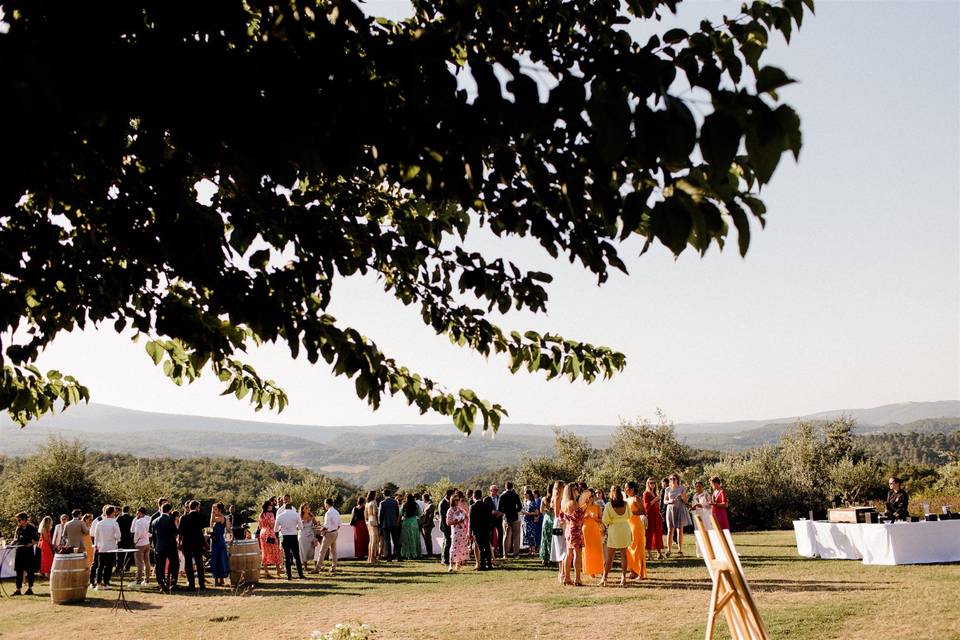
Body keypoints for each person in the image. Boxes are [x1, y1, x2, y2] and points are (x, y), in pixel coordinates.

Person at [601, 486, 632, 587]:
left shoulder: (609, 505)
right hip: (624, 528)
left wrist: (610, 523)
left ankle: (605, 578)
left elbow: (605, 520)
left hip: (614, 529)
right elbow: (629, 516)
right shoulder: (626, 504)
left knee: (609, 557)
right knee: (624, 554)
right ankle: (623, 577)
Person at [558, 483, 585, 586]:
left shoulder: (563, 503)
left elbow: (561, 518)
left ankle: (566, 577)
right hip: (575, 529)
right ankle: (577, 579)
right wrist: (584, 507)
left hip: (568, 529)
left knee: (569, 554)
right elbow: (579, 517)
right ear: (572, 491)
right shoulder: (573, 503)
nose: (578, 491)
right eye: (576, 489)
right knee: (577, 554)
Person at [178, 500, 207, 591]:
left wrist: (180, 543)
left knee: (188, 564)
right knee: (199, 563)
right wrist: (204, 543)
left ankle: (191, 585)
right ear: (197, 507)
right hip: (198, 542)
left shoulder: (183, 518)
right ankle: (202, 584)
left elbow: (180, 532)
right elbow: (202, 531)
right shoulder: (201, 516)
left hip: (187, 542)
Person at [623, 480, 647, 579]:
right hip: (628, 526)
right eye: (624, 488)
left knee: (638, 549)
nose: (625, 489)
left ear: (632, 489)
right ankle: (633, 570)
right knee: (629, 549)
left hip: (636, 526)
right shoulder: (626, 500)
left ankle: (641, 572)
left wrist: (632, 513)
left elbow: (643, 511)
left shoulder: (636, 498)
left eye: (626, 488)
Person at [275, 502, 305, 580]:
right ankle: (300, 574)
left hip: (284, 537)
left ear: (284, 508)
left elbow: (275, 529)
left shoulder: (280, 516)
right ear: (291, 508)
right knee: (297, 556)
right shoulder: (296, 515)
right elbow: (301, 527)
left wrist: (281, 528)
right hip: (293, 536)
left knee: (287, 557)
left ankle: (289, 576)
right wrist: (295, 527)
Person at [11, 512, 39, 596]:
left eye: (19, 520)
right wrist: (11, 543)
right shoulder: (18, 528)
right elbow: (16, 538)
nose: (18, 522)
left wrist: (30, 544)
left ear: (24, 519)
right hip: (19, 551)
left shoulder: (31, 528)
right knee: (19, 570)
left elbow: (36, 540)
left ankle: (30, 588)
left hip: (28, 552)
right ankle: (18, 589)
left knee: (30, 570)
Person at [93, 505, 121, 590]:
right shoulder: (114, 523)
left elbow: (96, 536)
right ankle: (106, 582)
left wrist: (96, 545)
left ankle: (98, 583)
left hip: (101, 547)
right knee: (108, 566)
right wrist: (116, 539)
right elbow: (118, 535)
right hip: (111, 547)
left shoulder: (99, 523)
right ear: (113, 513)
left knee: (100, 566)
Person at [664, 474, 691, 557]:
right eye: (671, 479)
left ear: (677, 479)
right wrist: (669, 501)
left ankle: (680, 550)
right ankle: (669, 550)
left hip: (680, 509)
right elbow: (664, 501)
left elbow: (686, 501)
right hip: (670, 510)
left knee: (679, 530)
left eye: (674, 478)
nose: (672, 480)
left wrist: (683, 497)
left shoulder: (682, 488)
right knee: (670, 530)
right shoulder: (667, 489)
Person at [581, 488, 604, 578]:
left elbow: (601, 519)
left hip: (595, 529)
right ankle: (591, 571)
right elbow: (578, 520)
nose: (591, 498)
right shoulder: (583, 507)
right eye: (589, 496)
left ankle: (601, 569)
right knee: (588, 550)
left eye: (592, 496)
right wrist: (585, 517)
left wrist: (595, 518)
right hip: (586, 530)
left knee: (598, 550)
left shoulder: (597, 506)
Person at [469, 489, 493, 570]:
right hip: (486, 529)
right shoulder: (486, 505)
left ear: (474, 497)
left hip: (477, 530)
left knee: (480, 547)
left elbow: (471, 521)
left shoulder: (472, 507)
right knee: (487, 546)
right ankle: (489, 564)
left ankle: (482, 564)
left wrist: (470, 531)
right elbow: (490, 518)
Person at [446, 491, 470, 572]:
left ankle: (458, 564)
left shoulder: (460, 509)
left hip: (462, 531)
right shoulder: (450, 510)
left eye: (458, 499)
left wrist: (464, 517)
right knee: (454, 547)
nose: (457, 501)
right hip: (455, 532)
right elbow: (448, 522)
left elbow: (466, 516)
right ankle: (450, 564)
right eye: (455, 500)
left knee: (461, 547)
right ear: (452, 500)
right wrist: (457, 522)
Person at [315, 498, 341, 573]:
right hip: (335, 532)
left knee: (322, 551)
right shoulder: (336, 512)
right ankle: (334, 567)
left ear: (326, 504)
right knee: (333, 551)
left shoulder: (328, 513)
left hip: (329, 534)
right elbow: (339, 525)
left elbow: (326, 526)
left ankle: (317, 568)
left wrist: (319, 529)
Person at [498, 482, 522, 559]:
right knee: (516, 536)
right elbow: (520, 507)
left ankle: (505, 554)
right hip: (515, 517)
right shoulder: (515, 495)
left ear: (505, 487)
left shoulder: (502, 496)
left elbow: (499, 509)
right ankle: (516, 554)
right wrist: (515, 510)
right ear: (512, 487)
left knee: (505, 536)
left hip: (506, 517)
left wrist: (506, 511)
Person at [643, 478, 665, 560]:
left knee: (658, 534)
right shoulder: (646, 494)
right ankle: (649, 554)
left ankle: (659, 553)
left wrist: (659, 514)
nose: (652, 484)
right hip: (650, 516)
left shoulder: (655, 493)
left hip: (656, 516)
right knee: (649, 534)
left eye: (654, 483)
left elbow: (657, 506)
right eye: (650, 483)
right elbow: (646, 506)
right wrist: (655, 500)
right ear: (647, 484)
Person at [209, 502, 230, 587]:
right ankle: (216, 580)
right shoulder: (215, 517)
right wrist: (212, 511)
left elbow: (212, 521)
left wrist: (212, 513)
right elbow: (210, 525)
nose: (214, 511)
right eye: (213, 509)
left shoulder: (221, 518)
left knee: (221, 559)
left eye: (215, 509)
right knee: (215, 560)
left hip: (220, 541)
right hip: (214, 541)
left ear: (220, 510)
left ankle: (221, 580)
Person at [130, 506, 152, 585]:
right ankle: (147, 579)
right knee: (147, 562)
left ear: (140, 513)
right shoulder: (147, 521)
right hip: (147, 542)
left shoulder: (138, 521)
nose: (136, 514)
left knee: (139, 562)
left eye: (137, 512)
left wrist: (135, 541)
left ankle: (138, 579)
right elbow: (150, 532)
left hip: (140, 543)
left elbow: (137, 533)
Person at [378, 489, 401, 562]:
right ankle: (399, 557)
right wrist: (396, 521)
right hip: (394, 523)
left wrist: (380, 524)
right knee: (395, 541)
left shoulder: (382, 503)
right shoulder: (395, 502)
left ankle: (389, 558)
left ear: (384, 494)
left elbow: (380, 515)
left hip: (385, 524)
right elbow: (397, 513)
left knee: (387, 541)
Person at [550, 481, 567, 571]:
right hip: (559, 523)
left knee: (562, 547)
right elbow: (557, 514)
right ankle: (562, 572)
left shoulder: (560, 497)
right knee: (560, 547)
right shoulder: (557, 498)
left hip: (560, 522)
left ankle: (562, 572)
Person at [400, 494, 421, 560]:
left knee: (406, 538)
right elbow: (419, 514)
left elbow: (400, 513)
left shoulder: (404, 505)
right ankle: (414, 553)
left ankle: (406, 554)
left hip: (406, 522)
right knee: (414, 538)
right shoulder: (416, 505)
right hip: (414, 522)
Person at [298, 503, 318, 572]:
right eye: (306, 508)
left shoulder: (311, 515)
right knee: (304, 551)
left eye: (309, 507)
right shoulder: (299, 516)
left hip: (311, 535)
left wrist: (315, 523)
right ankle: (305, 567)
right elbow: (297, 526)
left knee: (313, 550)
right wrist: (303, 522)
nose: (308, 509)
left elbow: (316, 523)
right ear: (303, 509)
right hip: (303, 535)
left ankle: (317, 567)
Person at [522, 488, 540, 557]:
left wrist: (527, 513)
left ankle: (534, 550)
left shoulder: (533, 502)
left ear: (529, 494)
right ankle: (530, 550)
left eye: (525, 494)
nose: (524, 495)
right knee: (527, 535)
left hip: (531, 521)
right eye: (524, 494)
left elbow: (537, 512)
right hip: (525, 521)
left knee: (531, 535)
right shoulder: (525, 502)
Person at [116, 506, 135, 572]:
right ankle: (127, 567)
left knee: (120, 554)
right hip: (129, 538)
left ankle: (119, 567)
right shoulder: (132, 518)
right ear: (129, 510)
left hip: (121, 538)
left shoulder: (119, 518)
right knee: (129, 553)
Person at [487, 484, 503, 559]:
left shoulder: (500, 498)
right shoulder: (486, 499)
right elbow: (486, 510)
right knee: (490, 536)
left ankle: (501, 552)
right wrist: (492, 512)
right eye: (495, 490)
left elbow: (503, 508)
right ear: (491, 491)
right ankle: (491, 552)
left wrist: (500, 513)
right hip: (490, 520)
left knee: (500, 535)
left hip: (499, 518)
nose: (496, 491)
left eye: (497, 490)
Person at [364, 490, 380, 564]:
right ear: (374, 495)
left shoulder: (367, 504)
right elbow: (375, 513)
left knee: (370, 541)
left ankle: (369, 557)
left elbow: (366, 516)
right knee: (374, 541)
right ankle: (373, 558)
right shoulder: (374, 502)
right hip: (374, 522)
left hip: (369, 522)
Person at [438, 489, 453, 566]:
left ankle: (445, 558)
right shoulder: (442, 503)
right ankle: (445, 560)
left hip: (449, 525)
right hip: (445, 526)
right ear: (449, 495)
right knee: (447, 542)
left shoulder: (448, 502)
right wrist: (447, 527)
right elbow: (443, 517)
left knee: (447, 542)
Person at [538, 491, 554, 565]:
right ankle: (552, 559)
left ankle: (544, 559)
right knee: (552, 539)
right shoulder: (554, 498)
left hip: (546, 519)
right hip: (553, 519)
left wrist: (547, 510)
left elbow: (541, 510)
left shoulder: (544, 498)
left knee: (545, 538)